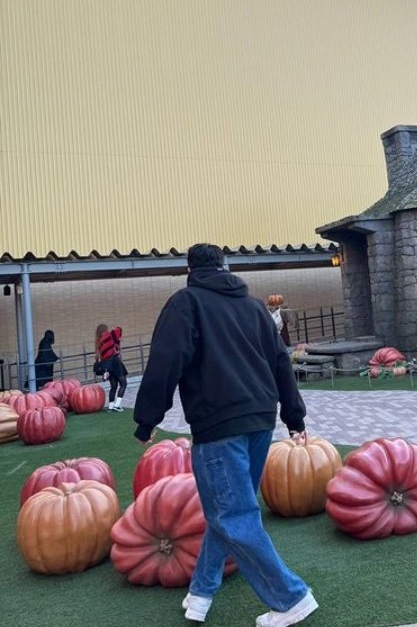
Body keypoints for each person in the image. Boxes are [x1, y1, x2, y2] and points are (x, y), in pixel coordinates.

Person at [133, 243, 318, 627]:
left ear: (190, 269)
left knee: (232, 514)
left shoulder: (186, 303)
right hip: (260, 420)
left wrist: (147, 419)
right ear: (224, 266)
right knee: (227, 511)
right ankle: (201, 592)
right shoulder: (253, 307)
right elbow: (281, 362)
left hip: (219, 425)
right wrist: (294, 416)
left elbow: (166, 361)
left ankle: (291, 598)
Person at [95, 323, 128, 411]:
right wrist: (117, 340)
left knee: (113, 386)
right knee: (123, 384)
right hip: (115, 362)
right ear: (105, 330)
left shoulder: (99, 342)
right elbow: (119, 329)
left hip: (107, 365)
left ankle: (111, 406)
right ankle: (117, 405)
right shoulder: (109, 335)